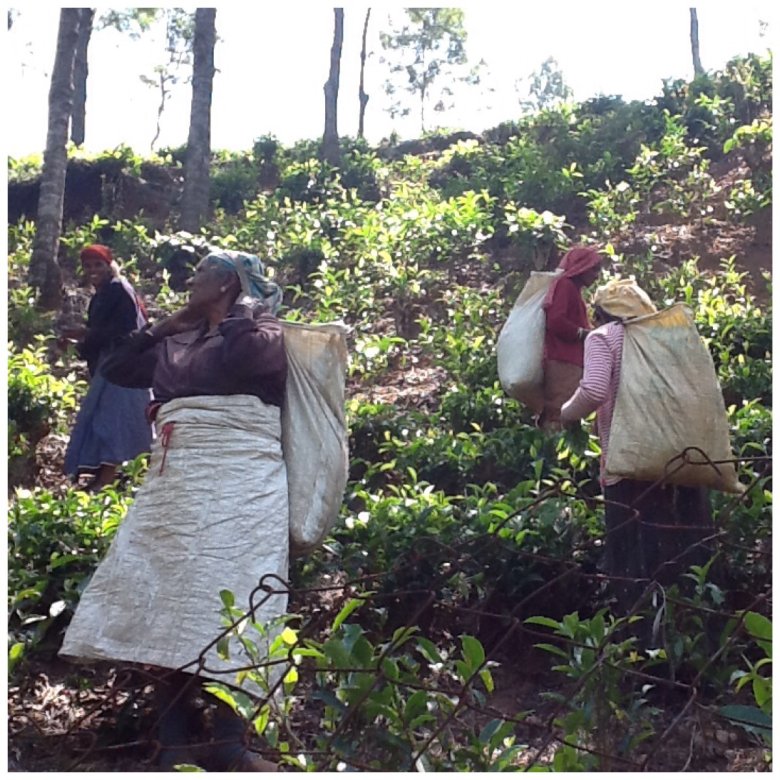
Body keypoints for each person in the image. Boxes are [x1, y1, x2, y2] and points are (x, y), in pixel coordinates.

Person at [59, 250, 288, 772]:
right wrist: (168, 324)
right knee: (163, 598)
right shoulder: (178, 339)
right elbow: (116, 368)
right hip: (178, 481)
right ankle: (173, 739)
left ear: (229, 282)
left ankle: (229, 739)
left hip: (242, 479)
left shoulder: (266, 328)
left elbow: (248, 361)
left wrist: (236, 313)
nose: (190, 278)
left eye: (203, 272)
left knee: (239, 593)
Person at [560, 279, 714, 628]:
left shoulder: (604, 337)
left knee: (634, 558)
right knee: (682, 553)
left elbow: (595, 389)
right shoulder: (665, 335)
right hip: (680, 460)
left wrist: (565, 413)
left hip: (630, 465)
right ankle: (692, 630)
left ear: (600, 313)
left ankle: (641, 641)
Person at [62, 244, 153, 491]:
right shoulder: (103, 293)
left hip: (124, 367)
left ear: (109, 265)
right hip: (112, 364)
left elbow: (127, 330)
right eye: (88, 266)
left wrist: (86, 334)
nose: (93, 270)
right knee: (105, 417)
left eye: (98, 264)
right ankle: (106, 473)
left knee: (115, 420)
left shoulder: (118, 289)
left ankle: (109, 478)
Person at [539, 245, 605, 431]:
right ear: (581, 267)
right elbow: (555, 320)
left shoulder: (572, 289)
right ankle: (553, 454)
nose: (596, 275)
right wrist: (583, 334)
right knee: (559, 414)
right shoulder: (565, 286)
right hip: (562, 360)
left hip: (569, 360)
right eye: (593, 269)